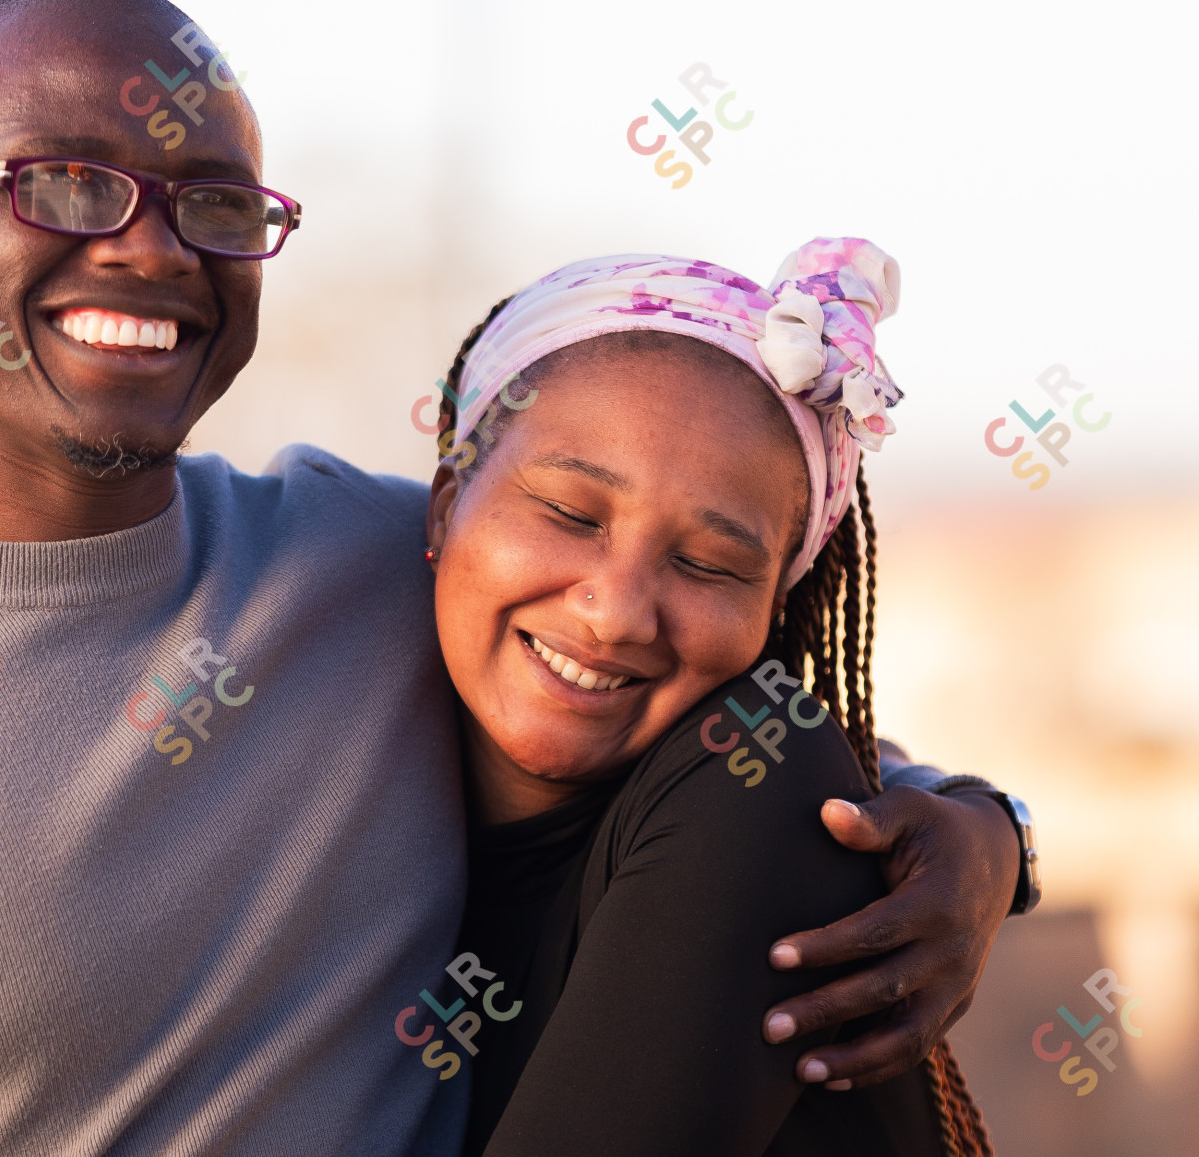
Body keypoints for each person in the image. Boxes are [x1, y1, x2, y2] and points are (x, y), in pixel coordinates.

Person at [0, 0, 1031, 1156]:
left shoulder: (372, 567)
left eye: (215, 206)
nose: (152, 249)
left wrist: (984, 832)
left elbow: (737, 738)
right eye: (63, 182)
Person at [412, 245, 1005, 1156]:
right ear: (446, 505)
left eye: (708, 565)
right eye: (571, 514)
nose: (614, 615)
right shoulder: (338, 704)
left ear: (777, 612)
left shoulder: (761, 785)